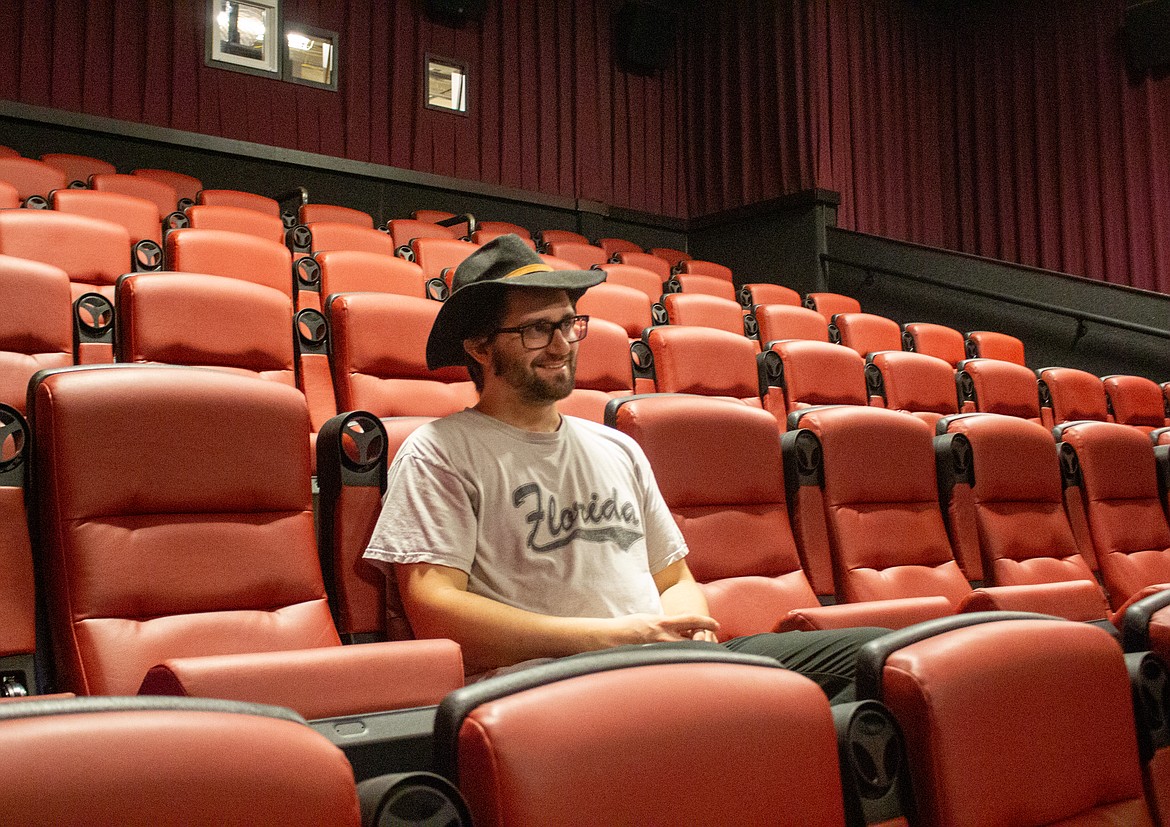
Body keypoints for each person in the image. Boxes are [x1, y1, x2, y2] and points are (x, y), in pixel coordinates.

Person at [364, 234, 885, 703]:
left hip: (662, 661)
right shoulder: (440, 452)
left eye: (568, 324)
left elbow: (674, 578)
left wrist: (691, 632)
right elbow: (435, 609)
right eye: (537, 329)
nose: (562, 345)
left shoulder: (618, 448)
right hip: (553, 683)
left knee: (880, 659)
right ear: (480, 346)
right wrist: (614, 637)